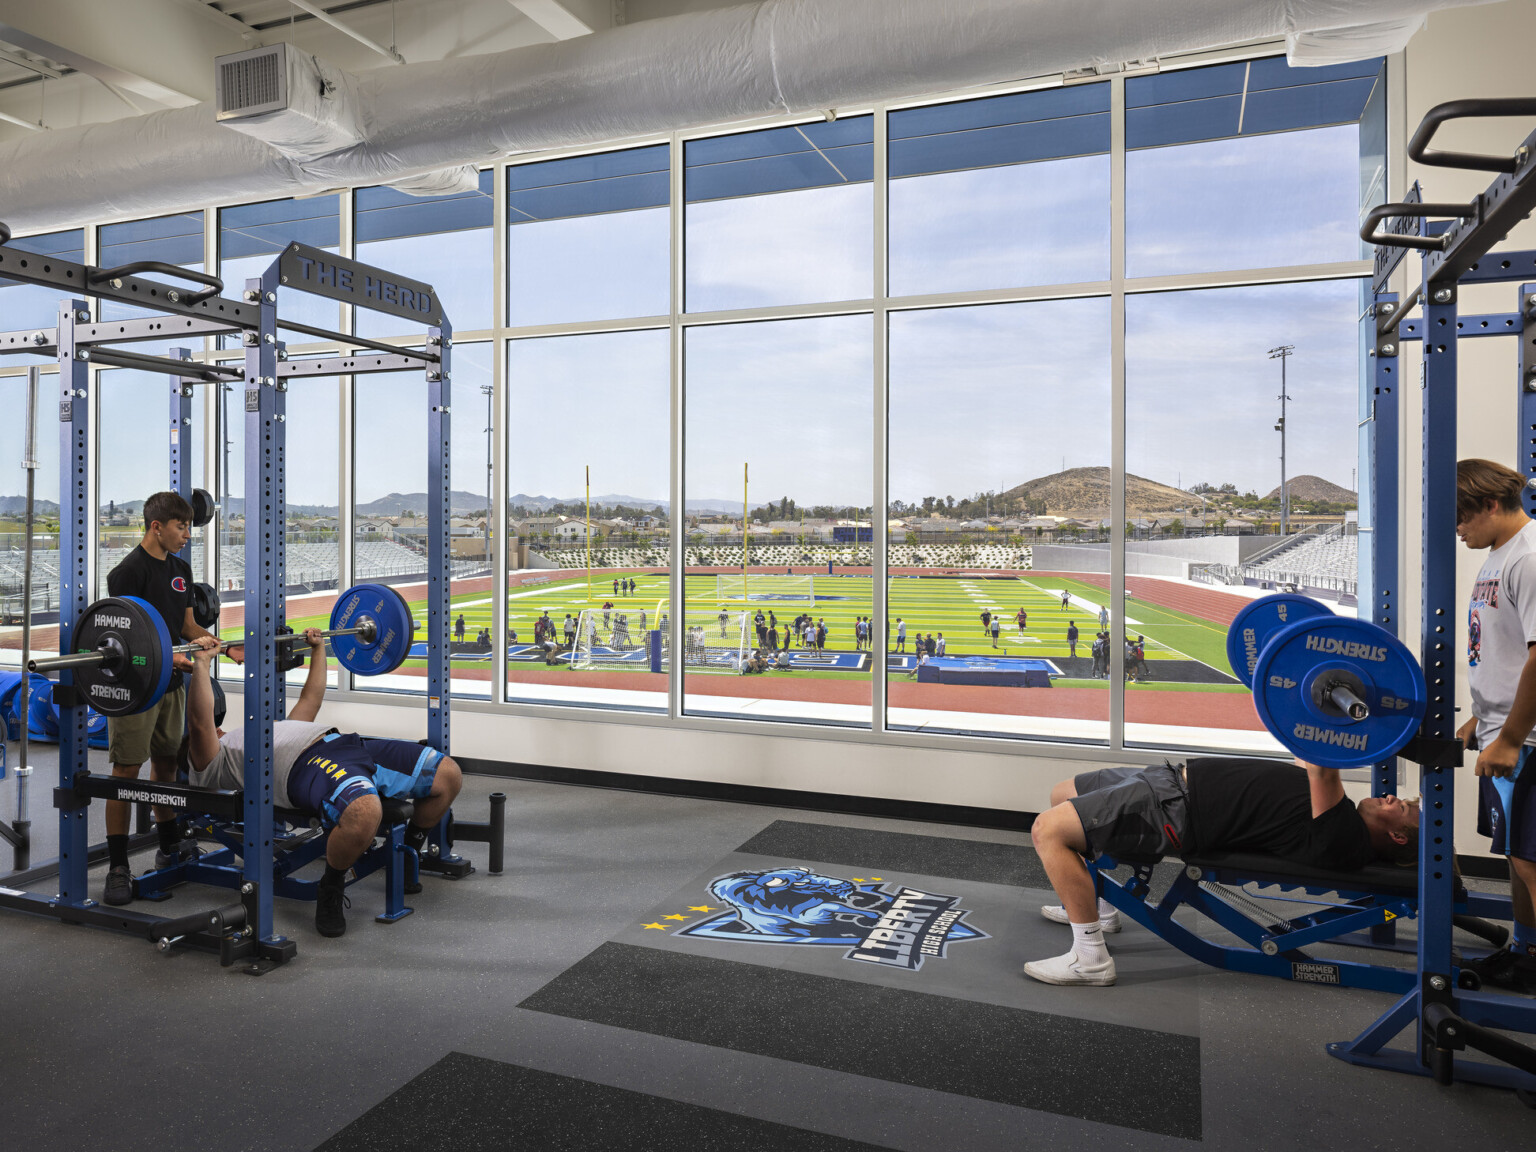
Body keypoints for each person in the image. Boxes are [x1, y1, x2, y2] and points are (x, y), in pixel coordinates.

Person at [1023, 757, 1420, 986]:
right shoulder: (1340, 817)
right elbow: (1306, 753)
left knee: (1048, 830)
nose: (1390, 796)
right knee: (1063, 793)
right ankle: (1100, 909)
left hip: (1173, 807)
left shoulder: (1344, 835)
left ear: (1399, 837)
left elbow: (1321, 764)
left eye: (1398, 806)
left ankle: (1089, 957)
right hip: (1166, 782)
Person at [183, 635, 463, 938]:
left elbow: (310, 700)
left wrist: (318, 650)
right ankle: (331, 885)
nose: (219, 727)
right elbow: (200, 722)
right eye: (215, 728)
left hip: (345, 744)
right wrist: (202, 663)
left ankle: (410, 849)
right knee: (365, 811)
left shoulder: (268, 729)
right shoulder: (213, 760)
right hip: (305, 767)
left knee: (448, 774)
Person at [102, 491, 244, 906]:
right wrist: (175, 661)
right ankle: (117, 867)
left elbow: (185, 623)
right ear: (156, 527)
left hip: (172, 684)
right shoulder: (127, 573)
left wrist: (215, 645)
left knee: (165, 767)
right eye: (181, 527)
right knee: (125, 773)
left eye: (188, 527)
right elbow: (127, 638)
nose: (187, 535)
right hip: (138, 687)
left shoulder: (181, 568)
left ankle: (168, 847)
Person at [1456, 458, 1536, 989]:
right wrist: (1480, 719)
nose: (1458, 530)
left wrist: (1508, 737)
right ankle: (1526, 952)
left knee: (1531, 859)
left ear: (1488, 504)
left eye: (1461, 518)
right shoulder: (1498, 555)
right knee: (1518, 857)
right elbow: (1501, 649)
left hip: (1527, 739)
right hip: (1504, 730)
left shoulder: (1529, 556)